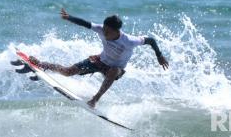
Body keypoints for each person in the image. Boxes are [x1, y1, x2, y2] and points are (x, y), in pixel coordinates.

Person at [29, 8, 169, 108]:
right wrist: (69, 17)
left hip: (116, 69)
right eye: (104, 29)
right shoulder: (101, 29)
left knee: (114, 69)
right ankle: (42, 64)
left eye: (108, 31)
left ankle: (95, 100)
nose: (104, 32)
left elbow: (150, 40)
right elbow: (85, 23)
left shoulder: (129, 41)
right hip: (99, 61)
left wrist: (159, 55)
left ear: (117, 31)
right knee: (67, 72)